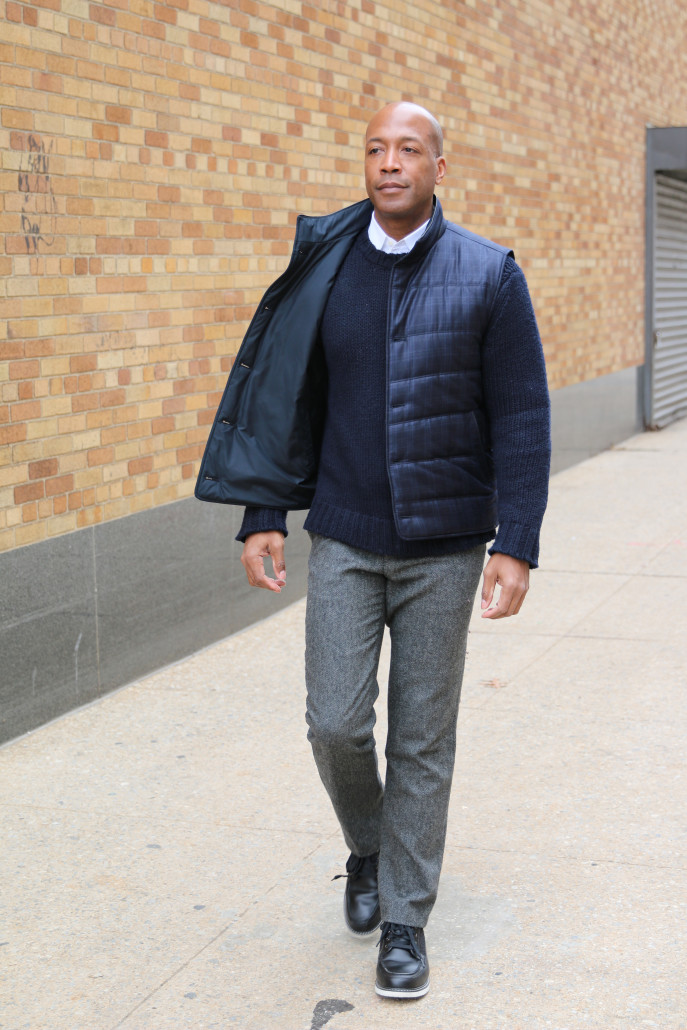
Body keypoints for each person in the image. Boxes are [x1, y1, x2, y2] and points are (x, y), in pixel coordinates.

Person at [196, 101, 550, 999]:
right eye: (374, 149)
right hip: (347, 537)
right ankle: (369, 848)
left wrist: (518, 542)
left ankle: (403, 920)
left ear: (439, 165)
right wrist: (262, 512)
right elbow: (287, 400)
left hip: (444, 548)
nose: (388, 163)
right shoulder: (329, 267)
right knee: (336, 722)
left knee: (423, 738)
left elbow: (519, 414)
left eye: (408, 149)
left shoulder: (488, 274)